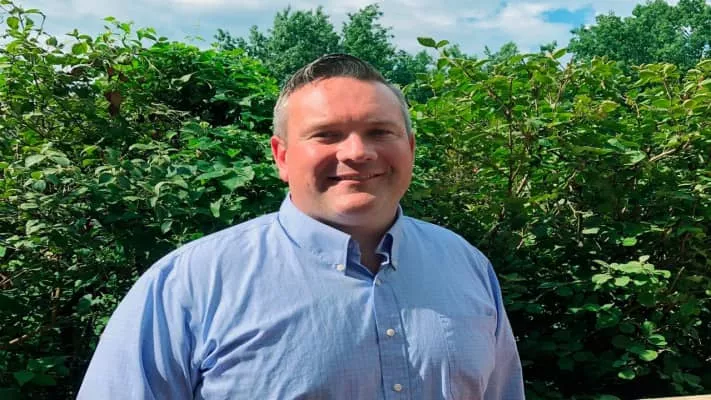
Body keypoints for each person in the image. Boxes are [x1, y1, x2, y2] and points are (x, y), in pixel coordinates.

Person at [78, 54, 524, 399]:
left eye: (379, 132)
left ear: (409, 147)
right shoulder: (189, 284)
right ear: (283, 156)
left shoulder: (466, 265)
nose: (357, 153)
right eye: (326, 134)